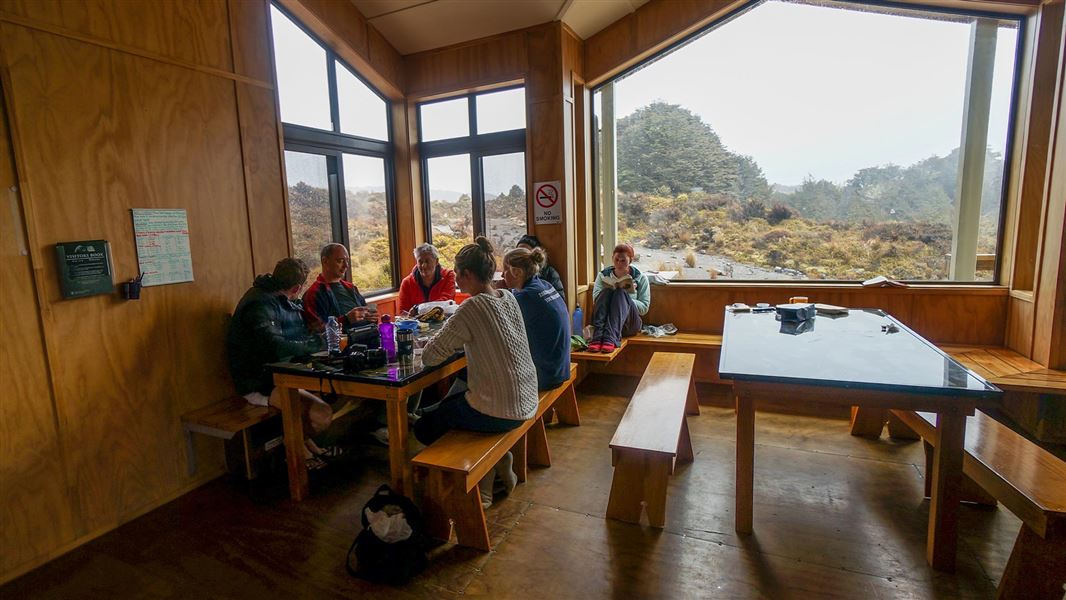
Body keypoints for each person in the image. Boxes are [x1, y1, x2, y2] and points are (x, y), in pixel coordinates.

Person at [416, 236, 538, 508]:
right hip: (527, 399)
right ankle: (500, 459)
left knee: (424, 428)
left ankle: (481, 469)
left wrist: (428, 342)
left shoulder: (471, 306)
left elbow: (430, 356)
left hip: (500, 410)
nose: (456, 280)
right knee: (454, 397)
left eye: (458, 274)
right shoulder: (507, 297)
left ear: (467, 274)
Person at [225, 258, 337, 470]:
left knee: (328, 391)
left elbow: (291, 337)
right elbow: (274, 346)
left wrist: (313, 334)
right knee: (321, 415)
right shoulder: (258, 304)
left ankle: (305, 443)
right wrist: (314, 344)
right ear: (297, 288)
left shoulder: (276, 296)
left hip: (280, 373)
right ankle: (293, 445)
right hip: (258, 382)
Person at [502, 246, 571, 391]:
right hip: (561, 368)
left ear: (517, 273)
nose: (502, 275)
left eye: (505, 269)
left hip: (546, 376)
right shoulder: (544, 285)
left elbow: (500, 328)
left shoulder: (525, 297)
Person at [588, 243, 650, 353]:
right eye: (616, 259)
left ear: (630, 260)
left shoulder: (640, 278)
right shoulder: (603, 275)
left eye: (623, 260)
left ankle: (610, 339)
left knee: (620, 293)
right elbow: (596, 301)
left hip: (628, 324)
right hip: (604, 322)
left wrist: (627, 298)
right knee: (607, 291)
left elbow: (644, 308)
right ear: (612, 258)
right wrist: (612, 292)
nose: (619, 263)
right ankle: (597, 338)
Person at [302, 243, 376, 332]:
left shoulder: (351, 288)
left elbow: (367, 314)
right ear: (325, 261)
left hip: (367, 337)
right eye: (340, 261)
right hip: (342, 343)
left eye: (347, 261)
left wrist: (373, 317)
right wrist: (346, 319)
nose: (346, 266)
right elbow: (316, 330)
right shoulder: (314, 293)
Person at [398, 243, 456, 314]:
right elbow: (403, 312)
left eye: (427, 261)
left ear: (436, 261)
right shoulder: (407, 282)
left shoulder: (448, 275)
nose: (424, 265)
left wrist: (418, 309)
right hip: (416, 323)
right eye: (420, 261)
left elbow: (446, 302)